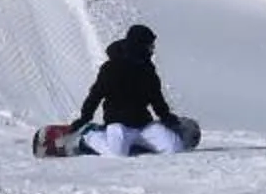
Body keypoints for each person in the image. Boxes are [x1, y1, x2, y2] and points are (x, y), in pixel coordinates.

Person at [72, 23, 187, 154]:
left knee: (175, 148)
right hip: (119, 125)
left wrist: (166, 116)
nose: (152, 49)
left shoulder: (148, 69)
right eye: (150, 45)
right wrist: (84, 118)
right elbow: (95, 95)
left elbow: (156, 97)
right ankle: (90, 137)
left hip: (143, 125)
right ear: (139, 45)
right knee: (117, 154)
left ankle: (136, 144)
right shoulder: (111, 68)